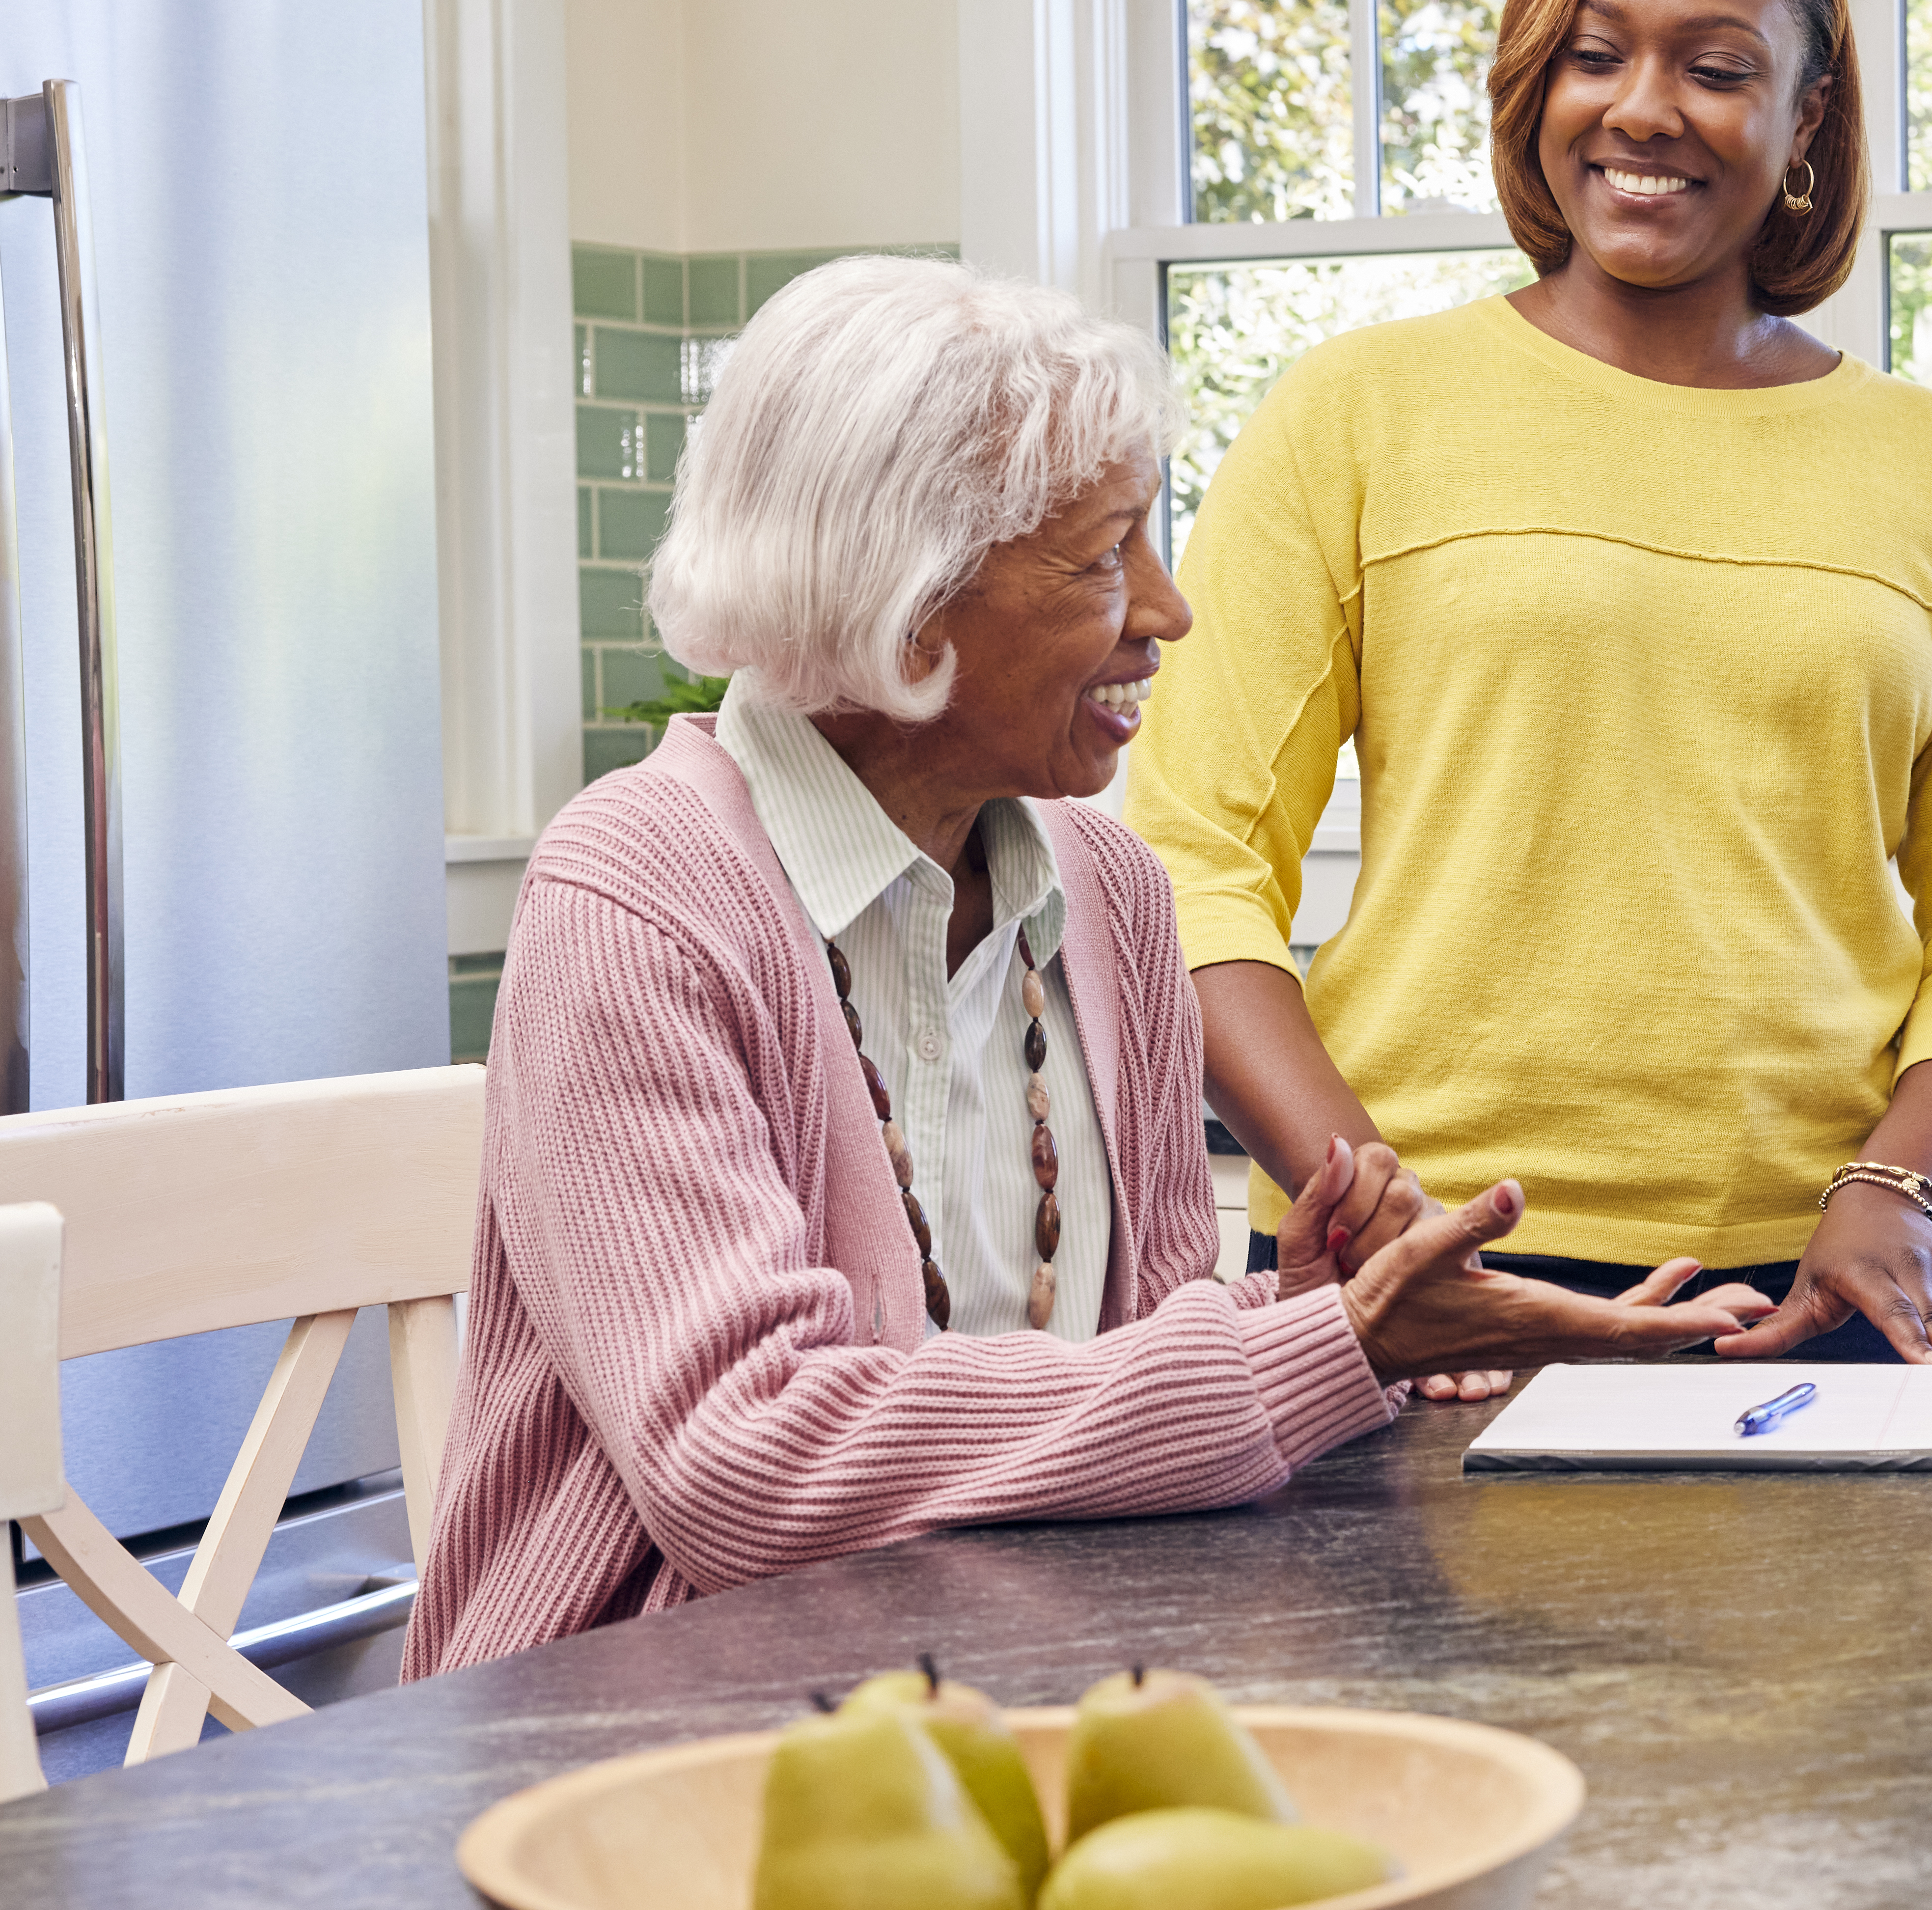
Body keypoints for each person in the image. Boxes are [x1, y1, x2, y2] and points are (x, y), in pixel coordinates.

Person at [408, 258, 1764, 1674]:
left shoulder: (1108, 891)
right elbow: (750, 1465)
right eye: (1108, 555)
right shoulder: (636, 895)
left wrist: (1313, 1315)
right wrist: (1310, 1355)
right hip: (645, 1742)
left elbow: (1134, 1355)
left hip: (1010, 1695)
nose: (1168, 613)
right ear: (910, 601)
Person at [1128, 0, 1932, 1374]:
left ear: (1805, 120)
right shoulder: (1357, 417)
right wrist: (1377, 1218)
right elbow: (1188, 864)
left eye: (1716, 67)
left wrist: (1893, 1183)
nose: (1644, 109)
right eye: (1595, 56)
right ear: (1538, 87)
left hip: (1807, 1292)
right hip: (1418, 1271)